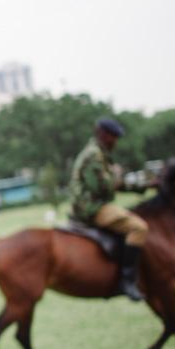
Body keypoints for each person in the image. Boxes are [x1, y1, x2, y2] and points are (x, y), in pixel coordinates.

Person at [68, 118, 149, 302]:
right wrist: (117, 174)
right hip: (91, 207)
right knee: (139, 228)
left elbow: (112, 184)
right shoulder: (94, 155)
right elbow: (103, 187)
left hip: (95, 204)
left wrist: (143, 186)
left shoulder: (99, 153)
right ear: (103, 135)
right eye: (113, 137)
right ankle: (127, 281)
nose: (115, 141)